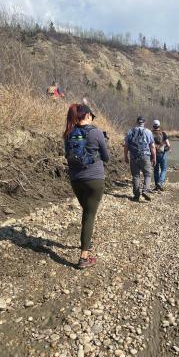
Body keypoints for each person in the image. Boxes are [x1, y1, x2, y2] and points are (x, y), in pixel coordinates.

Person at [64, 103, 109, 269]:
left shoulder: (68, 133)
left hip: (76, 180)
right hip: (94, 179)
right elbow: (106, 157)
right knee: (90, 214)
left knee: (87, 212)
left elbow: (67, 155)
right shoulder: (96, 132)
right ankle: (84, 257)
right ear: (88, 115)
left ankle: (86, 243)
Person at [124, 116, 156, 201]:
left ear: (137, 122)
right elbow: (152, 146)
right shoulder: (148, 132)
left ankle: (136, 196)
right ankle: (145, 190)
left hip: (133, 156)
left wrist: (125, 156)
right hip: (145, 156)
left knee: (136, 176)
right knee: (147, 174)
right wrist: (154, 157)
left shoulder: (130, 131)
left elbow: (126, 145)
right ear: (144, 122)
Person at [152, 119, 170, 191]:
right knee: (164, 169)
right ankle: (160, 183)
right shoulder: (163, 133)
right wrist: (165, 149)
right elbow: (168, 145)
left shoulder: (149, 133)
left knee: (156, 170)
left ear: (153, 126)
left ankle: (157, 186)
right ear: (159, 125)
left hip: (154, 154)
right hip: (162, 154)